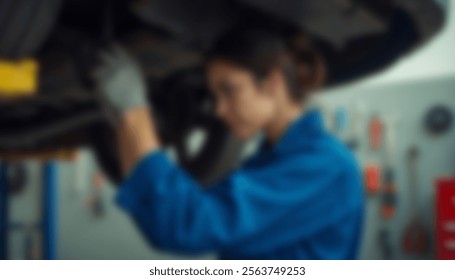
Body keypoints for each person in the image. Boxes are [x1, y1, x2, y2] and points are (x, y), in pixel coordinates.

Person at [93, 25, 365, 260]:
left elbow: (188, 226)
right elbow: (168, 223)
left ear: (272, 82)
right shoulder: (270, 163)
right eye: (215, 95)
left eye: (229, 90)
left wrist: (135, 111)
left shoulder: (326, 167)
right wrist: (126, 125)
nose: (218, 110)